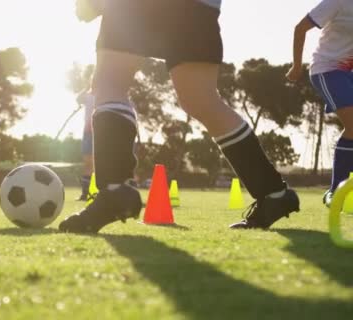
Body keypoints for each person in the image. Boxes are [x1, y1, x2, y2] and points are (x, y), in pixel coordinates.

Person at [59, 0, 300, 233]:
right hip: (198, 8)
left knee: (110, 83)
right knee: (201, 100)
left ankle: (115, 190)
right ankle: (273, 194)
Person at [286, 0, 353, 207]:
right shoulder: (338, 2)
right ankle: (335, 193)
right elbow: (300, 28)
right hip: (328, 69)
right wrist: (297, 66)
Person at [77, 89, 95, 201]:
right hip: (88, 132)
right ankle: (85, 193)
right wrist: (87, 86)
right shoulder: (88, 95)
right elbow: (78, 99)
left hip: (102, 131)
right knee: (88, 163)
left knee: (100, 163)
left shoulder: (106, 93)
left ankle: (97, 192)